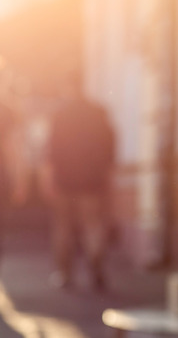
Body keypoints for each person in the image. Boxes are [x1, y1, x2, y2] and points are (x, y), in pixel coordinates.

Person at [42, 74, 116, 291]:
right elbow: (110, 143)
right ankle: (96, 268)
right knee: (92, 223)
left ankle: (65, 274)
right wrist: (107, 173)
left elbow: (50, 149)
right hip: (93, 178)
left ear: (67, 87)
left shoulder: (59, 114)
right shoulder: (98, 112)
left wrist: (48, 178)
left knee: (63, 225)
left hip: (64, 178)